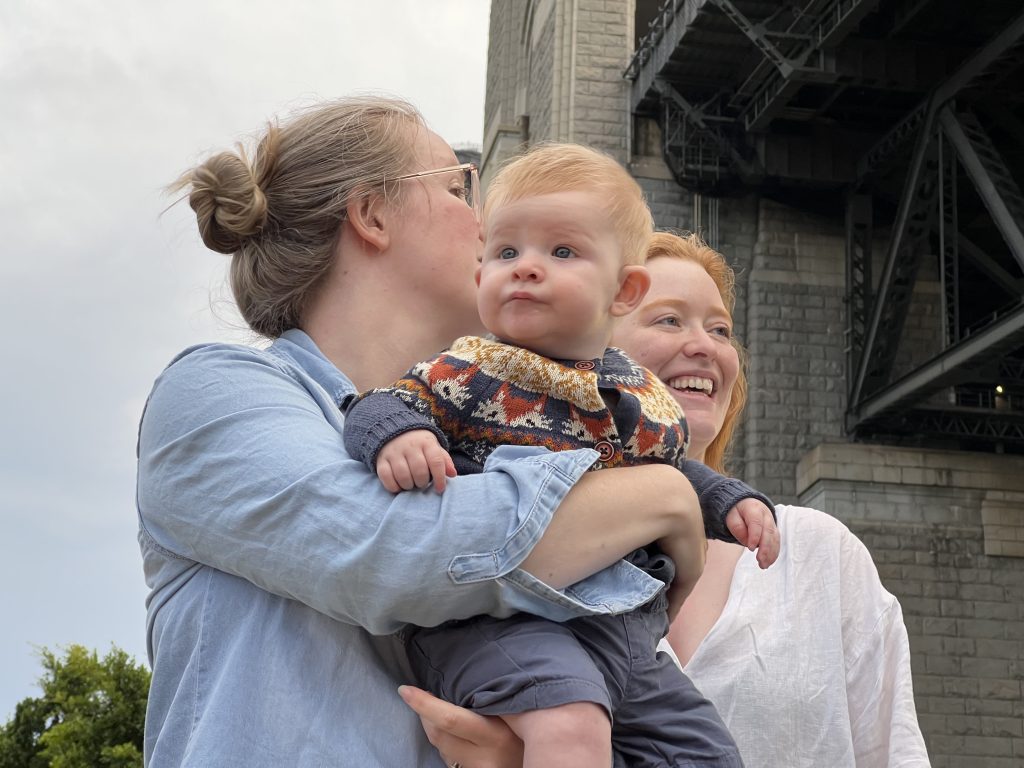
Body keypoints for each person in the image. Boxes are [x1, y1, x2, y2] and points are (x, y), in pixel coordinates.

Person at [136, 96, 720, 768]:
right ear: (373, 216)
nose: (485, 222)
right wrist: (664, 496)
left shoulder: (482, 420)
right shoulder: (213, 394)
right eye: (458, 185)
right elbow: (399, 551)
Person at [404, 230, 931, 768]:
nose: (704, 346)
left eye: (720, 329)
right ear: (579, 346)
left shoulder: (819, 554)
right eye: (668, 320)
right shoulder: (492, 544)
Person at [342, 144, 778, 767]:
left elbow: (671, 469)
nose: (526, 268)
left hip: (626, 635)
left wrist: (732, 502)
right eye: (506, 252)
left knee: (708, 754)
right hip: (508, 626)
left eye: (562, 252)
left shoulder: (634, 392)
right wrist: (398, 435)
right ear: (480, 274)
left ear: (623, 290)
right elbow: (375, 404)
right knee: (570, 731)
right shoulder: (469, 369)